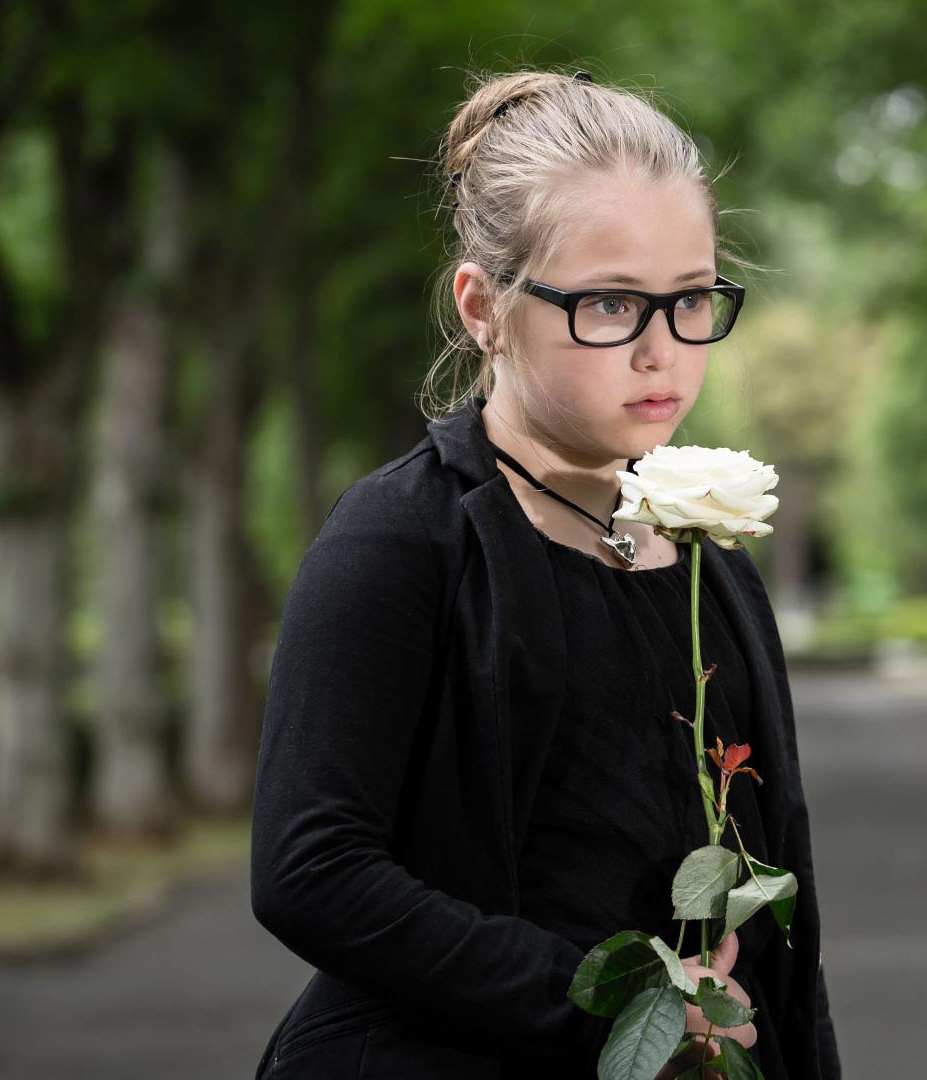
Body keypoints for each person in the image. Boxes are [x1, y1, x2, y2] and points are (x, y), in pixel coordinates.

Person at [249, 67, 841, 1080]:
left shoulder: (711, 554)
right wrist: (620, 1016)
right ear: (483, 307)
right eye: (611, 304)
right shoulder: (400, 542)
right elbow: (313, 871)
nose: (663, 352)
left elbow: (781, 911)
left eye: (692, 299)